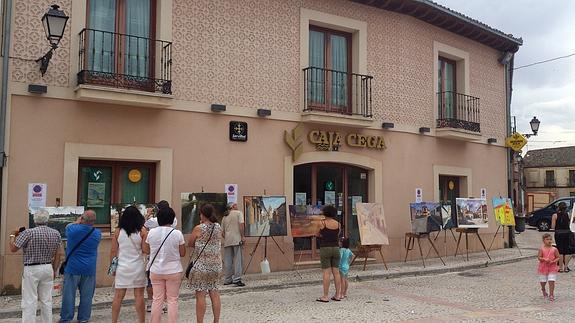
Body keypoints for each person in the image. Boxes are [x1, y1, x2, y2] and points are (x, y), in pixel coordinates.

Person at [9, 209, 61, 323]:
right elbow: (59, 254)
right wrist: (54, 269)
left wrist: (13, 234)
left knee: (29, 300)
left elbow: (13, 248)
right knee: (46, 300)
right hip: (48, 267)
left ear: (34, 220)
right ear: (47, 220)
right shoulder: (56, 233)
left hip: (32, 268)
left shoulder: (28, 233)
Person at [143, 206, 186, 323]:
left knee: (157, 299)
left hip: (156, 270)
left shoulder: (151, 233)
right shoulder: (177, 234)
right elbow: (182, 253)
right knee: (172, 300)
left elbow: (146, 250)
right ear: (172, 219)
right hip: (173, 270)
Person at [60, 210, 102, 323]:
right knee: (87, 296)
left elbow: (68, 226)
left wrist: (77, 221)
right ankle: (83, 319)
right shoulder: (97, 233)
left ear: (82, 219)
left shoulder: (73, 230)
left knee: (68, 295)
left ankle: (66, 318)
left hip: (73, 268)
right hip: (89, 268)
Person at [111, 206, 148, 323]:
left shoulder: (117, 231)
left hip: (122, 267)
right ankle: (141, 320)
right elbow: (145, 250)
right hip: (137, 266)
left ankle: (114, 321)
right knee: (139, 296)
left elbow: (113, 251)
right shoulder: (142, 231)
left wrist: (112, 267)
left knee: (118, 297)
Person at [188, 204, 223, 323]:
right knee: (215, 293)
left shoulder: (199, 228)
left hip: (201, 266)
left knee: (201, 296)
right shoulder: (218, 227)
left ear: (202, 214)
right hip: (216, 266)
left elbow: (190, 243)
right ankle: (216, 321)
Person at [143, 200, 175, 313]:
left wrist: (147, 214)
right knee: (166, 283)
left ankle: (151, 302)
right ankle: (164, 303)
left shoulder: (153, 221)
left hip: (154, 255)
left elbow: (143, 223)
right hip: (169, 255)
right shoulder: (173, 220)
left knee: (151, 282)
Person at [316, 205, 342, 302]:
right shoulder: (338, 224)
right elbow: (338, 235)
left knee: (326, 273)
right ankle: (337, 295)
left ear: (325, 213)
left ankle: (325, 296)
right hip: (336, 248)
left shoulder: (322, 223)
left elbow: (317, 234)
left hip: (325, 248)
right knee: (336, 272)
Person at [222, 202, 245, 287]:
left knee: (228, 260)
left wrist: (227, 237)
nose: (237, 205)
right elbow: (241, 225)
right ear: (232, 206)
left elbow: (222, 231)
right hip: (237, 239)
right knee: (238, 259)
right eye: (235, 204)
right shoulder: (239, 213)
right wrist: (242, 236)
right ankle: (237, 279)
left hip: (228, 240)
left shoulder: (225, 216)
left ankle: (228, 279)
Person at [551, 202, 573, 272]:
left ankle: (560, 268)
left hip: (558, 234)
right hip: (567, 233)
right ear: (566, 208)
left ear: (558, 207)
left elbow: (553, 226)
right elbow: (570, 224)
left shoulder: (555, 215)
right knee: (566, 251)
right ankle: (566, 268)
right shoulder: (568, 215)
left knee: (560, 251)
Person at [538, 233, 559, 301]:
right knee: (543, 281)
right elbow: (539, 257)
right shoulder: (541, 249)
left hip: (552, 267)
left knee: (551, 281)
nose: (549, 241)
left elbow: (558, 257)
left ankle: (551, 294)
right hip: (543, 267)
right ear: (543, 240)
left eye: (550, 239)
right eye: (547, 239)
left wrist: (553, 261)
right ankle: (543, 289)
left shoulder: (554, 249)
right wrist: (544, 259)